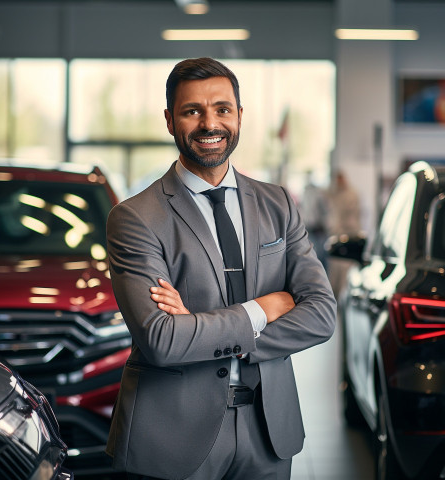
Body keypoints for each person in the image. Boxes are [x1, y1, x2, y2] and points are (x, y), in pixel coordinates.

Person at [106, 57, 336, 480]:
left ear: (240, 116)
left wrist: (196, 328)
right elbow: (160, 339)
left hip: (268, 432)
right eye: (192, 111)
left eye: (222, 109)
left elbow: (321, 315)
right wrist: (264, 309)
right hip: (173, 435)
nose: (209, 123)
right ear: (170, 120)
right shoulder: (135, 218)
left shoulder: (278, 204)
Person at [326, 170, 362, 298]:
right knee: (334, 270)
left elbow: (353, 217)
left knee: (345, 272)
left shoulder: (351, 195)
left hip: (348, 236)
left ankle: (342, 295)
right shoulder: (334, 194)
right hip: (336, 235)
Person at [298, 170, 329, 269]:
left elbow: (323, 210)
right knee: (312, 254)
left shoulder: (318, 192)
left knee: (321, 254)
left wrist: (323, 223)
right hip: (308, 227)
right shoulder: (304, 192)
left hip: (318, 228)